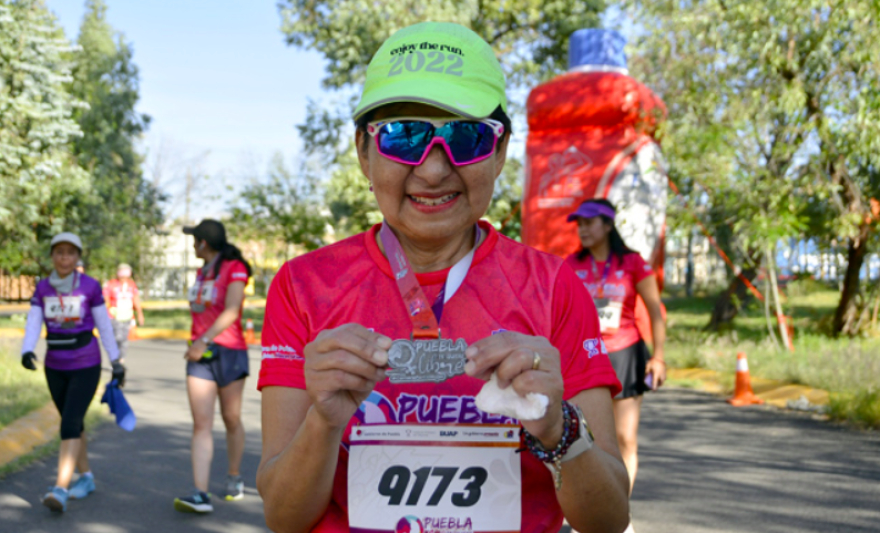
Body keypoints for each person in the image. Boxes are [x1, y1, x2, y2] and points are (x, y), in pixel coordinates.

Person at [256, 22, 630, 533]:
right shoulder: (304, 285)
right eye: (402, 135)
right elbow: (282, 516)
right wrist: (323, 421)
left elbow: (608, 519)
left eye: (466, 135)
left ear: (499, 155)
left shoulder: (553, 285)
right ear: (364, 154)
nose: (433, 170)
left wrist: (557, 427)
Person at [564, 199, 667, 493]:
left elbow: (655, 312)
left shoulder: (632, 262)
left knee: (624, 438)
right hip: (584, 357)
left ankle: (620, 511)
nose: (582, 229)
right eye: (579, 224)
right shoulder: (571, 264)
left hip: (625, 353)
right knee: (584, 436)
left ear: (608, 225)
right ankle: (589, 504)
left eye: (589, 222)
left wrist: (658, 357)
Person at [20, 232, 125, 513]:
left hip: (85, 364)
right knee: (74, 425)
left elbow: (103, 325)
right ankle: (86, 478)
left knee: (68, 424)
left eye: (70, 252)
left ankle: (60, 489)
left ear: (78, 257)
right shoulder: (43, 288)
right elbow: (33, 322)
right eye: (59, 252)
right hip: (55, 366)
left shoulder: (90, 286)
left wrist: (115, 360)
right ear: (52, 256)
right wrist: (27, 350)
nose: (64, 257)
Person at [174, 219, 252, 513]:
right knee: (201, 424)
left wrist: (203, 340)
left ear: (203, 243)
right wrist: (199, 343)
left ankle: (234, 477)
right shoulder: (201, 272)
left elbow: (232, 310)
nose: (193, 245)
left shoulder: (235, 268)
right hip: (201, 356)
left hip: (229, 352)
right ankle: (200, 493)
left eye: (194, 240)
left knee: (231, 418)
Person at [103, 263, 145, 362]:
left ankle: (121, 358)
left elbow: (136, 299)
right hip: (114, 315)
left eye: (126, 275)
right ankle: (114, 358)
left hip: (127, 315)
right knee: (117, 337)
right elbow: (106, 299)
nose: (124, 278)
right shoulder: (111, 284)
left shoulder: (131, 284)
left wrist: (140, 313)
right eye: (122, 275)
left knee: (124, 339)